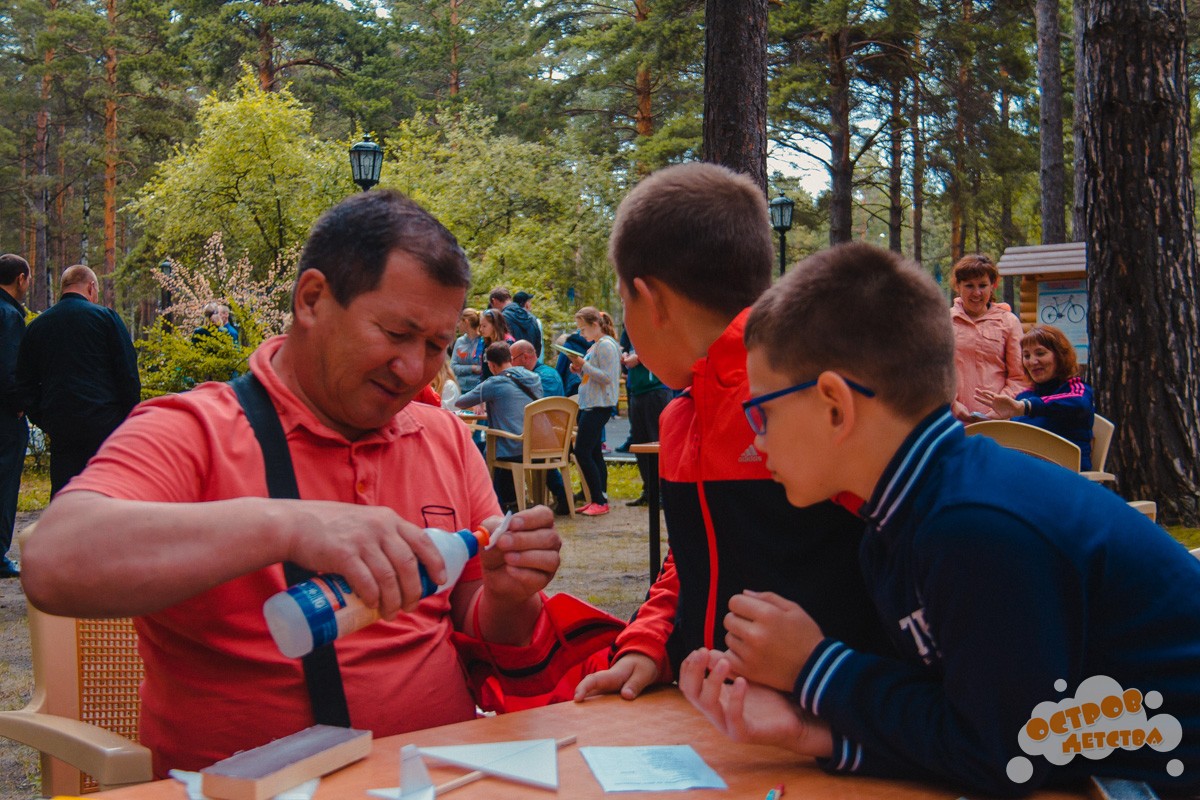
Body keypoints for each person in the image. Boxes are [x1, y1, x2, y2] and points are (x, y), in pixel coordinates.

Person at [19, 190, 566, 777]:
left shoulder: (445, 438)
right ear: (311, 299)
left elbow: (479, 619)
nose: (414, 369)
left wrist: (508, 595)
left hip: (440, 779)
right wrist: (288, 524)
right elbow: (54, 563)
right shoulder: (195, 429)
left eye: (436, 346)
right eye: (395, 333)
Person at [679, 241, 1200, 797]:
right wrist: (812, 731)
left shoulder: (974, 526)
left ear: (835, 405)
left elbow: (1003, 757)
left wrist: (815, 668)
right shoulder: (906, 516)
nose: (757, 442)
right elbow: (965, 719)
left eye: (762, 413)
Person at [574, 163, 887, 703]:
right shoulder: (681, 415)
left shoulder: (802, 402)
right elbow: (694, 555)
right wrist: (649, 644)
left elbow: (909, 565)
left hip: (828, 722)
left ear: (651, 300)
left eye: (624, 304)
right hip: (714, 712)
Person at [15, 265, 140, 496]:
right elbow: (128, 374)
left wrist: (44, 419)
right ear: (91, 287)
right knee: (105, 490)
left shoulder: (38, 327)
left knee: (65, 490)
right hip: (105, 421)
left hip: (61, 424)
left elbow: (25, 383)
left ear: (63, 287)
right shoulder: (106, 319)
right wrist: (128, 418)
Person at [974, 324, 1095, 469]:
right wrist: (997, 423)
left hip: (1068, 475)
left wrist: (1026, 407)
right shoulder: (1024, 396)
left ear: (1060, 356)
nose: (1032, 361)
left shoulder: (1076, 389)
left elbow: (1080, 403)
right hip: (1028, 472)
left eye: (1040, 353)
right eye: (1027, 356)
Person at [455, 341, 544, 510]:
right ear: (510, 358)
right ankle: (517, 500)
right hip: (537, 444)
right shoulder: (534, 378)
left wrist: (481, 398)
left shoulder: (494, 383)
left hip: (512, 448)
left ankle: (500, 504)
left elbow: (461, 402)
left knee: (486, 450)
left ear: (491, 365)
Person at [949, 253, 1026, 420]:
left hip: (998, 423)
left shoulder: (1008, 322)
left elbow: (1020, 377)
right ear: (958, 286)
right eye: (969, 286)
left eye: (983, 285)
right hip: (951, 421)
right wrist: (952, 403)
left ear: (993, 285)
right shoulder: (944, 322)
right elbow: (932, 372)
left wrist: (1001, 407)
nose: (976, 293)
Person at [563, 307, 620, 516]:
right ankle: (598, 496)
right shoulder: (596, 345)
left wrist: (583, 365)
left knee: (582, 451)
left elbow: (607, 377)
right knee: (594, 452)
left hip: (599, 405)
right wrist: (580, 369)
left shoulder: (605, 345)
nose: (581, 333)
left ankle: (599, 499)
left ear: (595, 325)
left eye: (583, 329)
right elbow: (593, 378)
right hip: (591, 402)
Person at [511, 339, 569, 515]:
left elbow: (539, 410)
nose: (510, 364)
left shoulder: (543, 377)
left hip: (552, 435)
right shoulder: (541, 374)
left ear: (525, 357)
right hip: (546, 434)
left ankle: (510, 501)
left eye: (512, 359)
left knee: (507, 449)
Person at [0, 255, 30, 578]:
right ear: (20, 278)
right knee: (5, 483)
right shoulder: (9, 316)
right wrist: (19, 403)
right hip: (5, 416)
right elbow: (9, 367)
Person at [619, 328, 671, 506]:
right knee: (640, 441)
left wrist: (640, 358)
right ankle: (649, 490)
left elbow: (666, 346)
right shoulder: (632, 328)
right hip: (637, 390)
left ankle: (663, 491)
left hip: (656, 389)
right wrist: (625, 356)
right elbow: (627, 348)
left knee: (657, 441)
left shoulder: (657, 323)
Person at [489, 287, 542, 358]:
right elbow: (538, 345)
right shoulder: (532, 317)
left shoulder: (501, 319)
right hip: (531, 361)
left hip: (511, 361)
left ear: (494, 301)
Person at [451, 308, 484, 393]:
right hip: (460, 387)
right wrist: (471, 368)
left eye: (459, 322)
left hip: (478, 388)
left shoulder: (483, 342)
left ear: (466, 322)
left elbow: (483, 368)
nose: (457, 325)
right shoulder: (459, 341)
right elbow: (453, 367)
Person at [479, 308, 514, 379]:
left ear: (495, 325)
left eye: (484, 326)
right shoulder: (486, 343)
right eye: (480, 326)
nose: (481, 329)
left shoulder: (508, 343)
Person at [513, 291, 545, 363]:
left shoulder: (509, 320)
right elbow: (540, 345)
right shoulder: (535, 321)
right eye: (529, 302)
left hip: (515, 360)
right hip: (532, 361)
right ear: (526, 304)